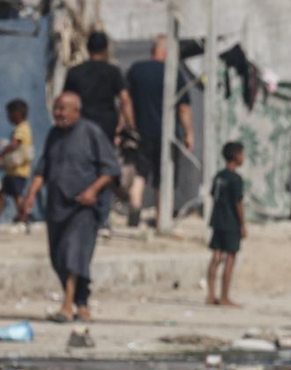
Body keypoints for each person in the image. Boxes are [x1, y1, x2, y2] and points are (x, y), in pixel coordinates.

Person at [21, 92, 120, 323]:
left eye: (64, 109)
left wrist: (92, 190)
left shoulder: (90, 133)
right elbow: (42, 170)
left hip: (83, 208)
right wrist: (30, 196)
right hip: (57, 206)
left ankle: (67, 306)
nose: (59, 113)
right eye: (56, 108)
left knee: (74, 254)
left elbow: (110, 170)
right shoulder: (54, 135)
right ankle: (81, 302)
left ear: (77, 111)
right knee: (57, 258)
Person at [125, 34, 194, 227]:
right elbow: (184, 108)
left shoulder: (136, 70)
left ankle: (135, 206)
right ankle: (161, 218)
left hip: (141, 132)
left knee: (140, 173)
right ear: (166, 52)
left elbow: (126, 100)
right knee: (164, 177)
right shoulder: (173, 72)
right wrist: (189, 133)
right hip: (167, 135)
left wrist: (128, 126)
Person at [64, 30, 133, 144]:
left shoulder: (74, 72)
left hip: (81, 124)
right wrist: (130, 126)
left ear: (87, 48)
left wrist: (66, 124)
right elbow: (125, 99)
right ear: (106, 49)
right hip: (107, 126)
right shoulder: (113, 71)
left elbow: (65, 101)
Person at [206, 141, 246, 307]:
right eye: (242, 154)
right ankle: (224, 296)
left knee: (216, 256)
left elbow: (213, 195)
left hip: (217, 220)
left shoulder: (218, 176)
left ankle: (210, 295)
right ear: (236, 156)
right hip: (230, 223)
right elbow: (238, 203)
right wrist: (243, 224)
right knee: (230, 258)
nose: (243, 158)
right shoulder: (236, 179)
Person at [0, 99, 33, 224]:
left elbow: (14, 145)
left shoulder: (22, 128)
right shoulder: (21, 129)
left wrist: (0, 155)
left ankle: (24, 219)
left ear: (18, 113)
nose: (8, 116)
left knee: (17, 196)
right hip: (12, 171)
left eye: (10, 113)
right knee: (1, 193)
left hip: (18, 171)